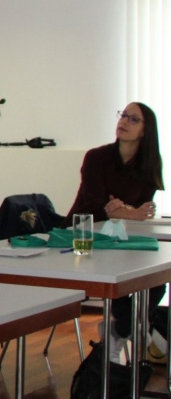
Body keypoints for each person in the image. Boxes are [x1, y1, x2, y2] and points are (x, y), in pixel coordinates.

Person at [64, 102, 165, 362]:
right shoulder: (96, 157)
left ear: (145, 131)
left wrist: (126, 210)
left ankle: (119, 330)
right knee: (121, 283)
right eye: (123, 115)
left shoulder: (149, 165)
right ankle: (135, 329)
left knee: (155, 283)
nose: (124, 122)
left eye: (134, 119)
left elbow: (140, 209)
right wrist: (127, 211)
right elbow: (98, 204)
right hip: (83, 236)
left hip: (118, 238)